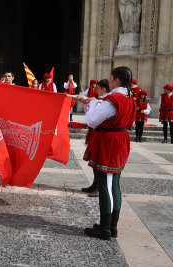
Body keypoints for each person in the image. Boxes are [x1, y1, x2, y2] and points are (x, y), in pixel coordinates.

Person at [79, 66, 136, 240]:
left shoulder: (113, 99)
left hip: (110, 143)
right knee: (114, 183)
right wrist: (95, 102)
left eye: (110, 78)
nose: (108, 81)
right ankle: (111, 226)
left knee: (106, 185)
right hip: (121, 140)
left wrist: (88, 105)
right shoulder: (129, 97)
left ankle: (105, 228)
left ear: (116, 80)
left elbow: (92, 121)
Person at [78, 79, 110, 198]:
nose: (95, 90)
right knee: (94, 160)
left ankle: (99, 188)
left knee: (100, 163)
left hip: (103, 134)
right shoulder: (101, 99)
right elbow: (95, 100)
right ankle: (95, 185)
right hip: (96, 133)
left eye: (98, 88)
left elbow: (93, 117)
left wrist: (90, 102)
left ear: (103, 89)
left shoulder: (107, 101)